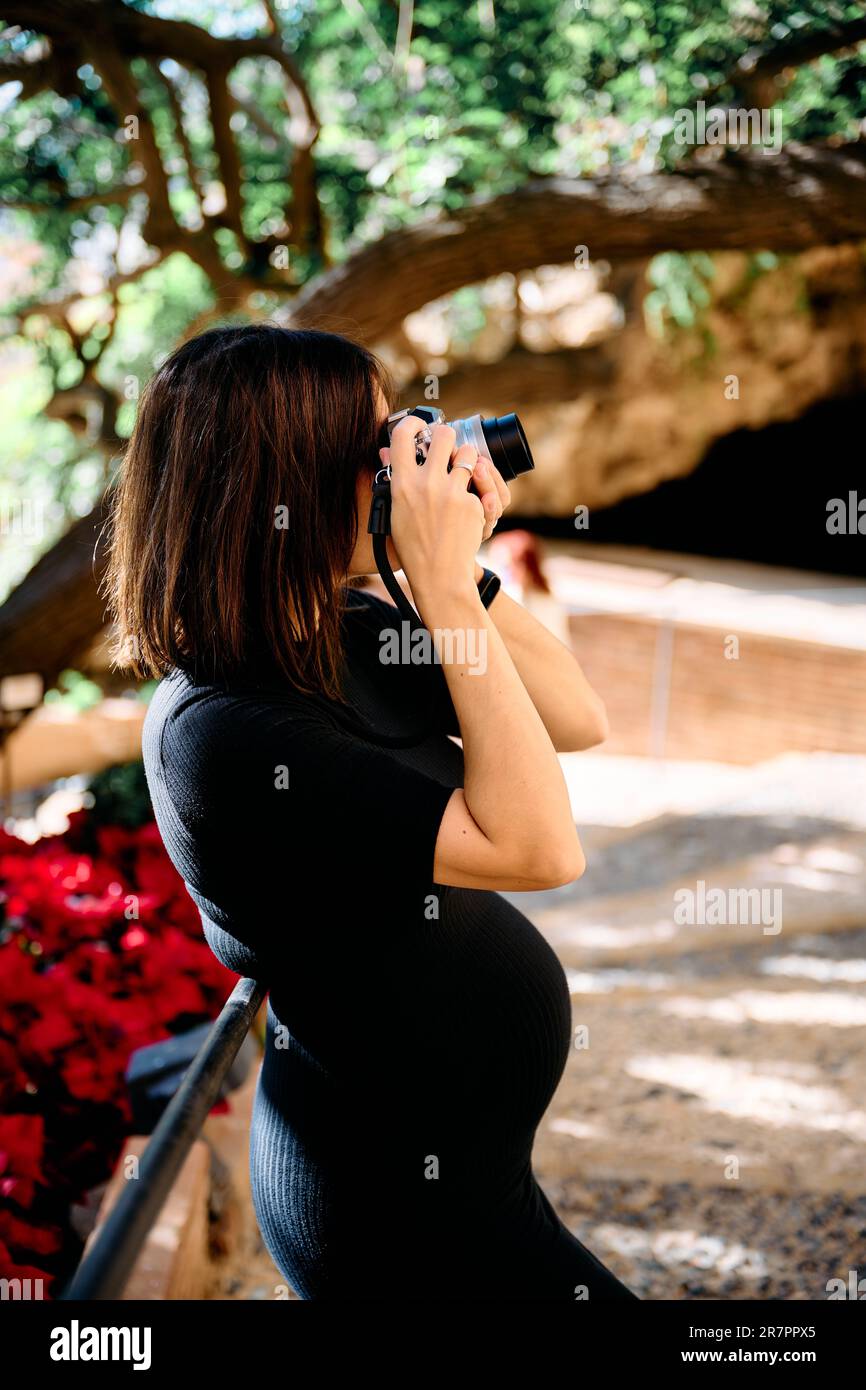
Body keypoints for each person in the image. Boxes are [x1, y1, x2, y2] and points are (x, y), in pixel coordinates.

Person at [104, 323, 638, 1302]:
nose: (407, 463)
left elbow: (575, 716)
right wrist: (436, 587)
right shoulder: (227, 729)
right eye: (377, 446)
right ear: (286, 490)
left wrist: (459, 576)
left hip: (468, 1178)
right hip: (394, 1210)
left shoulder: (341, 623)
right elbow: (537, 846)